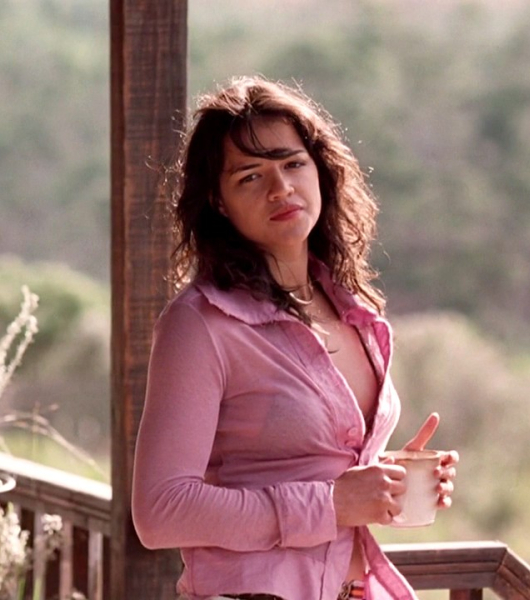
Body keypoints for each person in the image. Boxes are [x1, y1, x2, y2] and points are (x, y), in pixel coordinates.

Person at [131, 75, 459, 600]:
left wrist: (387, 485)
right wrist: (330, 503)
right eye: (250, 176)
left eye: (292, 164)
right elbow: (161, 510)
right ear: (218, 201)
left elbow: (316, 470)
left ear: (319, 169)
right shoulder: (199, 324)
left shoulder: (355, 310)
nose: (280, 188)